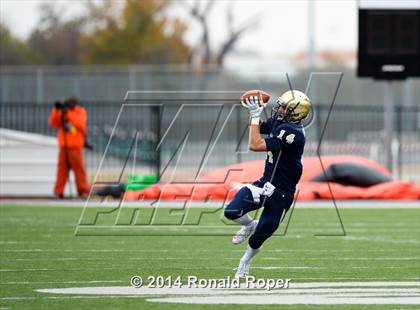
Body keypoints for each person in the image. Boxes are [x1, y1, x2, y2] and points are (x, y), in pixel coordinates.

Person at [224, 90, 311, 278]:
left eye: (283, 107)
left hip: (281, 194)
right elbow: (261, 128)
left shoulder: (292, 133)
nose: (278, 108)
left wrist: (255, 115)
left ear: (294, 113)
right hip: (264, 184)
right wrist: (254, 115)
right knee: (231, 212)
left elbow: (254, 145)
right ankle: (249, 224)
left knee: (259, 238)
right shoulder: (283, 122)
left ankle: (245, 261)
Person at [48, 97, 89, 198]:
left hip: (75, 147)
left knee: (79, 171)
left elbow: (80, 124)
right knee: (61, 171)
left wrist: (68, 114)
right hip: (64, 147)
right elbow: (53, 122)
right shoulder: (62, 112)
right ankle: (58, 192)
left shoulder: (80, 111)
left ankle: (83, 191)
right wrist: (57, 110)